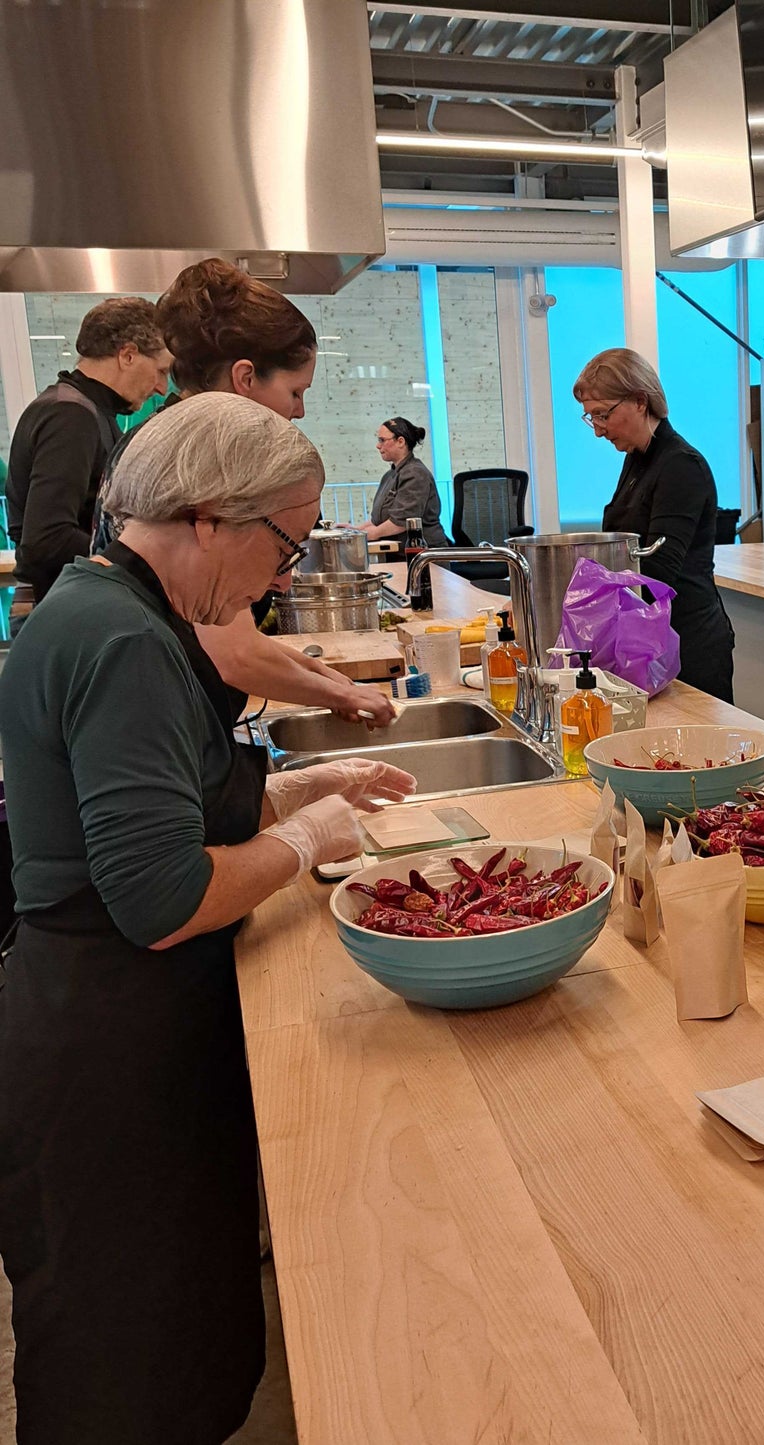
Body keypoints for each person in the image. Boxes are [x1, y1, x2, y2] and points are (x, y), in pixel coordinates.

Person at [0, 393, 415, 1444]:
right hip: (110, 1050)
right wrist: (305, 838)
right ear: (206, 517)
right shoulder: (124, 638)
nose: (281, 575)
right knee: (130, 1367)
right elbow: (162, 895)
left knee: (171, 1331)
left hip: (113, 1025)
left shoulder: (109, 604)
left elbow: (159, 810)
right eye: (282, 540)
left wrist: (299, 791)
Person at [94, 257, 397, 727]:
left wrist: (336, 684)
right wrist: (340, 694)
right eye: (295, 392)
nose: (299, 412)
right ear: (245, 378)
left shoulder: (177, 443)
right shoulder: (199, 465)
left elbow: (232, 637)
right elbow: (232, 655)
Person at [575, 347, 737, 701]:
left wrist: (581, 600)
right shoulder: (637, 460)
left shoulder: (681, 466)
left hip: (687, 646)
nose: (598, 431)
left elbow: (656, 573)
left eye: (603, 414)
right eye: (590, 418)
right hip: (649, 643)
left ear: (639, 401)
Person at [6, 296, 171, 604]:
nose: (162, 387)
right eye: (161, 370)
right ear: (128, 355)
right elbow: (46, 540)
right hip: (61, 604)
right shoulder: (71, 415)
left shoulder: (82, 409)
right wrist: (145, 557)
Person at [364, 415, 448, 546]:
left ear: (401, 442)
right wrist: (354, 530)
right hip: (399, 552)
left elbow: (401, 521)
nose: (378, 446)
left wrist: (367, 535)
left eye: (382, 440)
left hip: (421, 554)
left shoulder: (415, 474)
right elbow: (380, 520)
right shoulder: (390, 475)